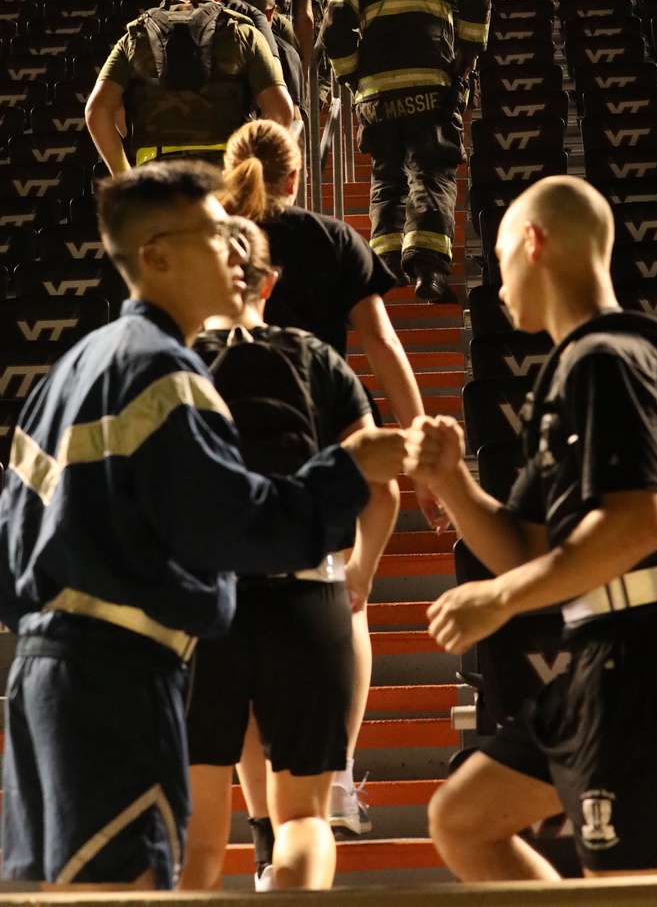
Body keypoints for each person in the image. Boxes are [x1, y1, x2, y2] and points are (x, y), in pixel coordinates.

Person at [0, 160, 406, 889]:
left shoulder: (68, 370)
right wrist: (350, 470)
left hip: (47, 679)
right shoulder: (164, 374)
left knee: (79, 891)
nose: (236, 249)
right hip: (121, 678)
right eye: (216, 234)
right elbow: (235, 529)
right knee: (132, 886)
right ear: (154, 256)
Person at [404, 176, 657, 881]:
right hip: (600, 658)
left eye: (498, 257)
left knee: (629, 891)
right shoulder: (573, 371)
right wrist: (453, 483)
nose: (494, 283)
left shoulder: (607, 361)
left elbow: (640, 523)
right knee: (464, 818)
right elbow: (523, 549)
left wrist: (501, 603)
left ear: (534, 242)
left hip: (647, 663)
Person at [221, 117, 444, 834]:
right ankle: (338, 772)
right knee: (350, 600)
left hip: (235, 438)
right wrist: (423, 458)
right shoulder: (332, 238)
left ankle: (264, 825)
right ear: (295, 177)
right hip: (329, 425)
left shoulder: (215, 245)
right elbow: (382, 344)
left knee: (244, 619)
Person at [180, 217, 399, 891]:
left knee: (199, 835)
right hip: (309, 597)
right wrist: (358, 572)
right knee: (304, 819)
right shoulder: (317, 357)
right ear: (270, 284)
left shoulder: (170, 362)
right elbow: (382, 487)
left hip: (206, 603)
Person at [322, 0, 491, 302]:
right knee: (430, 172)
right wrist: (468, 55)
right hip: (434, 87)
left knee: (386, 177)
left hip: (376, 96)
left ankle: (386, 266)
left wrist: (353, 77)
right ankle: (428, 272)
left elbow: (334, 28)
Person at [84, 0, 293, 176]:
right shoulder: (242, 32)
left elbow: (97, 110)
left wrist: (123, 175)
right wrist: (249, 167)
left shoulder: (136, 36)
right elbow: (280, 111)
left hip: (155, 180)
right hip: (225, 177)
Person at [233, 0, 305, 119]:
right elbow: (293, 116)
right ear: (271, 12)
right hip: (267, 135)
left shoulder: (226, 41)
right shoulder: (286, 52)